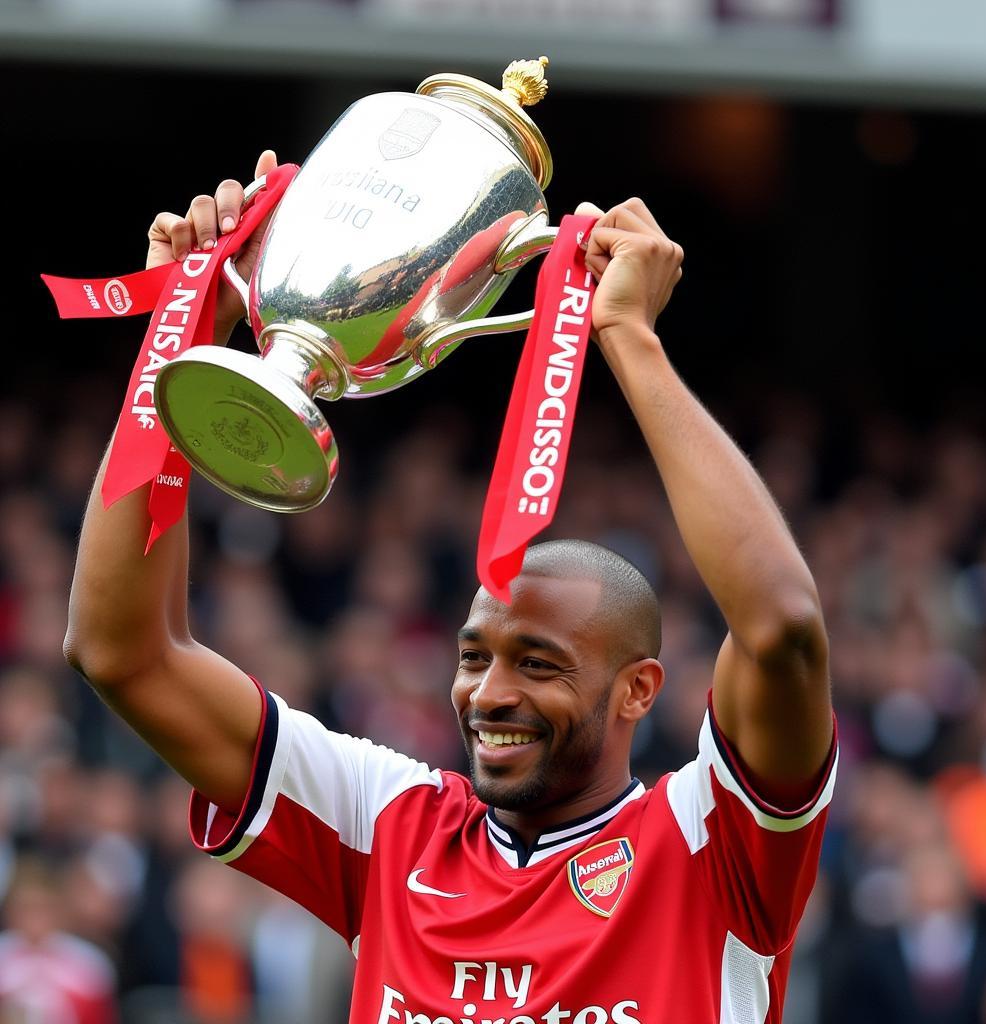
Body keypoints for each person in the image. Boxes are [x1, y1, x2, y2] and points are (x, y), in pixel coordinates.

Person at [64, 150, 836, 1023]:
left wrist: (629, 340)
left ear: (638, 690)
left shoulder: (711, 840)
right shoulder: (390, 824)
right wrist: (187, 352)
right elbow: (123, 653)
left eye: (539, 665)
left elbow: (783, 629)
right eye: (475, 657)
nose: (490, 694)